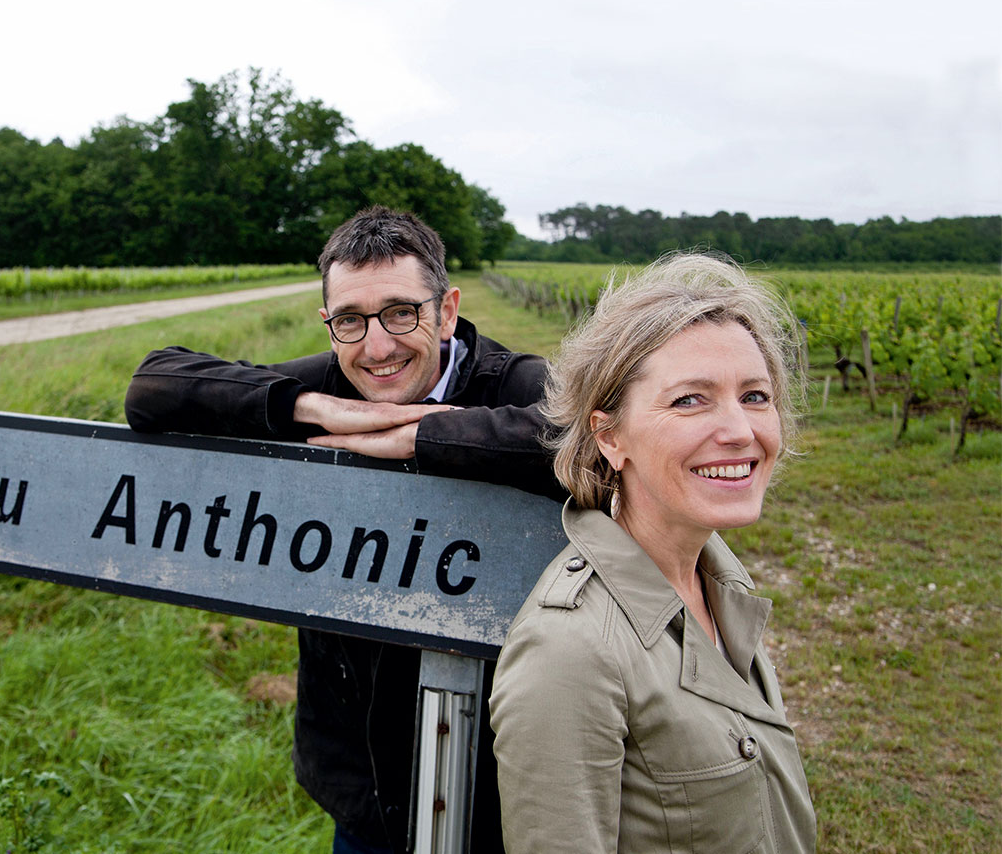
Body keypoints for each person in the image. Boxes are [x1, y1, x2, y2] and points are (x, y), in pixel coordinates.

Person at [125, 206, 564, 853]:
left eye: (401, 313)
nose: (377, 346)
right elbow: (153, 386)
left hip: (507, 802)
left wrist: (425, 435)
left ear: (446, 311)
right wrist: (309, 406)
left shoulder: (516, 385)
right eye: (350, 322)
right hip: (364, 795)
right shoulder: (331, 383)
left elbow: (606, 439)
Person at [489, 253, 816, 853]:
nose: (740, 430)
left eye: (755, 395)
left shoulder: (716, 581)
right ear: (609, 436)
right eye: (690, 400)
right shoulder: (570, 651)